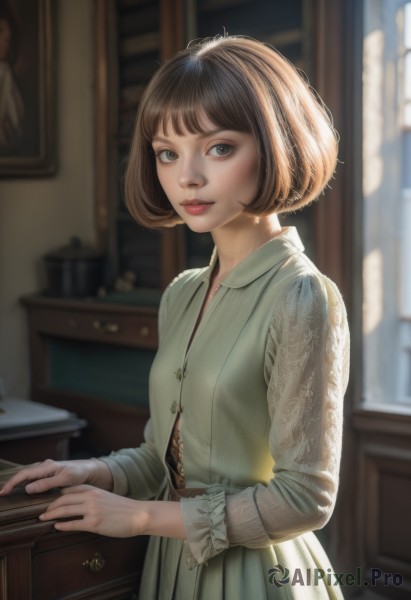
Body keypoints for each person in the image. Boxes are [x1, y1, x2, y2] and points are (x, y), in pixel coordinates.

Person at [0, 36, 350, 599]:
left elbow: (305, 499)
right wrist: (97, 474)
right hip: (170, 570)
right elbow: (167, 457)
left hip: (253, 578)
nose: (187, 176)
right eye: (167, 152)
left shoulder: (301, 297)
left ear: (276, 145)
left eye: (218, 148)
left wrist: (139, 519)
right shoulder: (183, 293)